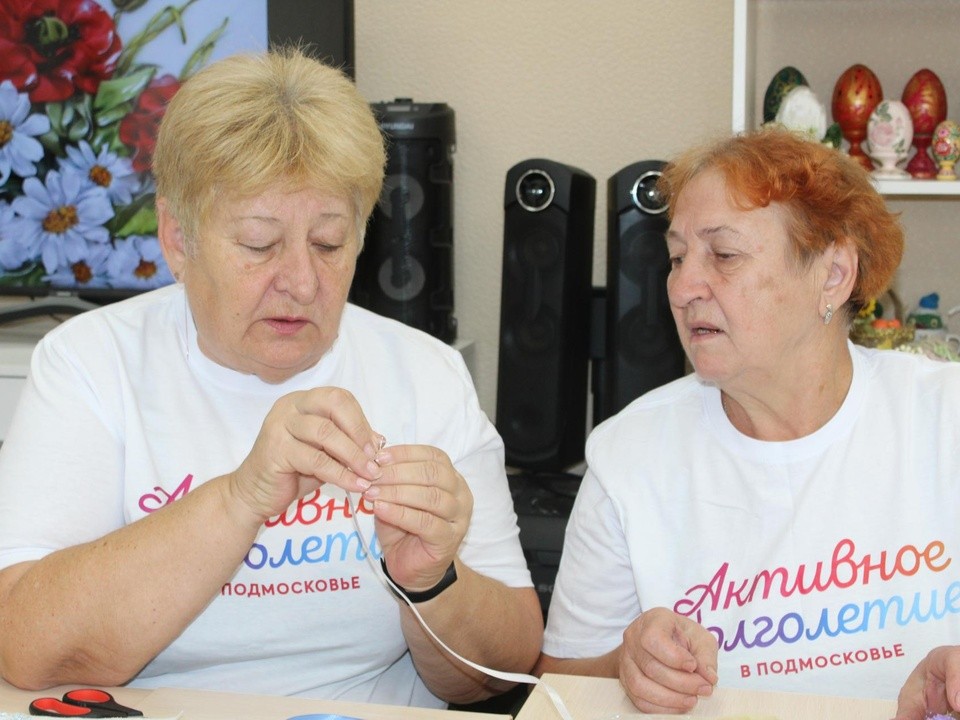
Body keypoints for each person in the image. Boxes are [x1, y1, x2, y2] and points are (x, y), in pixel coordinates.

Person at [0, 48, 543, 709]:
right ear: (177, 237)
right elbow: (28, 649)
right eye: (259, 244)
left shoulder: (425, 374)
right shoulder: (89, 363)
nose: (302, 282)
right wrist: (239, 500)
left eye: (329, 242)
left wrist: (433, 583)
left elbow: (506, 666)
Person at [535, 126, 960, 719]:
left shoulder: (945, 420)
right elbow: (557, 686)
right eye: (677, 257)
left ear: (833, 275)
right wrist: (625, 668)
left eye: (724, 255)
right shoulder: (629, 456)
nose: (681, 288)